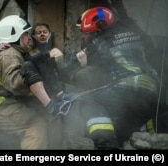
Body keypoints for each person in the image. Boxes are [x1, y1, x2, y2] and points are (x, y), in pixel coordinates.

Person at [65, 6, 160, 149]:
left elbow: (69, 65)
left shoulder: (98, 42)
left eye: (85, 33)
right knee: (121, 132)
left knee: (88, 101)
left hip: (128, 86)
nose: (82, 37)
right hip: (153, 90)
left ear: (98, 30)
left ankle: (106, 146)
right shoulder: (135, 34)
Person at [0, 15, 71, 149]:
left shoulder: (17, 54)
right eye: (25, 34)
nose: (29, 37)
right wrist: (37, 83)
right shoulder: (10, 55)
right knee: (35, 124)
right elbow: (16, 85)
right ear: (13, 35)